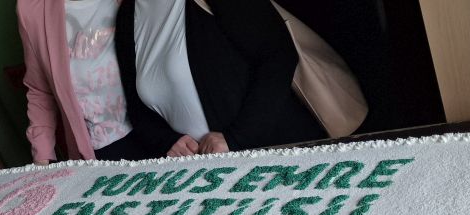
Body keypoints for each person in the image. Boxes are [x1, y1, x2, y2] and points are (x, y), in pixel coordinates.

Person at [114, 0, 324, 158]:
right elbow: (136, 107)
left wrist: (237, 138)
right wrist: (167, 141)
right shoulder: (127, 15)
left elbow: (279, 56)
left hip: (281, 154)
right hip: (209, 174)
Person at [17, 0, 155, 163]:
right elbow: (40, 90)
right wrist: (42, 154)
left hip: (160, 131)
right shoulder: (33, 10)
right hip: (100, 150)